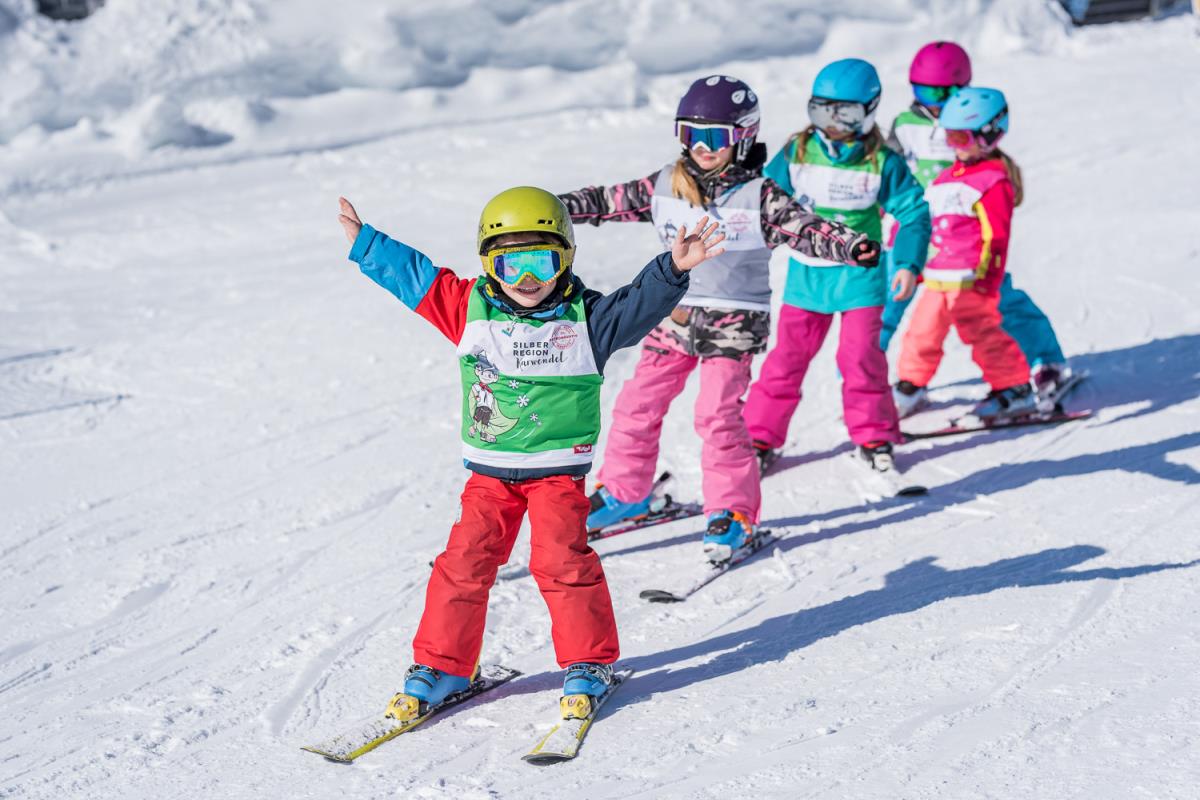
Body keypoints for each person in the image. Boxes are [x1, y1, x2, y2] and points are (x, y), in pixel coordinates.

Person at [335, 187, 725, 716]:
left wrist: (671, 270)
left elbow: (636, 304)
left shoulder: (588, 320)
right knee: (463, 563)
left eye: (540, 262)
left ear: (565, 258)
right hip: (490, 475)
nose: (525, 279)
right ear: (488, 264)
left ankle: (588, 663)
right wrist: (368, 244)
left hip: (556, 474)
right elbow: (418, 277)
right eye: (509, 264)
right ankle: (445, 666)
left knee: (562, 563)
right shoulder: (468, 309)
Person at [558, 75, 880, 562]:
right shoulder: (665, 184)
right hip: (673, 316)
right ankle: (625, 491)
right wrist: (553, 209)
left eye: (716, 136)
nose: (703, 147)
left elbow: (806, 228)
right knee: (637, 404)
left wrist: (850, 245)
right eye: (692, 134)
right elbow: (607, 201)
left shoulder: (760, 195)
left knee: (717, 416)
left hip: (734, 323)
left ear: (743, 136)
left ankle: (732, 512)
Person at [740, 59, 931, 472]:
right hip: (808, 276)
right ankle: (758, 437)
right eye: (821, 110)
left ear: (869, 111)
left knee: (860, 358)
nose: (831, 123)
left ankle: (874, 434)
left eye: (845, 113)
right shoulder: (798, 152)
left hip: (861, 277)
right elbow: (764, 202)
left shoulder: (882, 161)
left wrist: (908, 263)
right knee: (786, 359)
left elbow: (913, 213)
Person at [883, 41, 1069, 404]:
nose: (931, 102)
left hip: (964, 241)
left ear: (960, 88)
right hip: (915, 234)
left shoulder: (973, 122)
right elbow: (888, 171)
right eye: (922, 92)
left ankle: (1046, 361)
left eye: (939, 93)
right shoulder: (905, 125)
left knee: (1000, 301)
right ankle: (866, 378)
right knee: (891, 304)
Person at [894, 87, 1038, 421]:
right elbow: (927, 224)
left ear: (989, 135)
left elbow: (997, 237)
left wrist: (988, 280)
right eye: (949, 136)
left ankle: (1014, 389)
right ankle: (911, 385)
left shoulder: (992, 181)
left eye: (961, 137)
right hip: (937, 277)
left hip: (971, 279)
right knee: (921, 333)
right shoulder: (946, 177)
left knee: (983, 334)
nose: (953, 145)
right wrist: (915, 264)